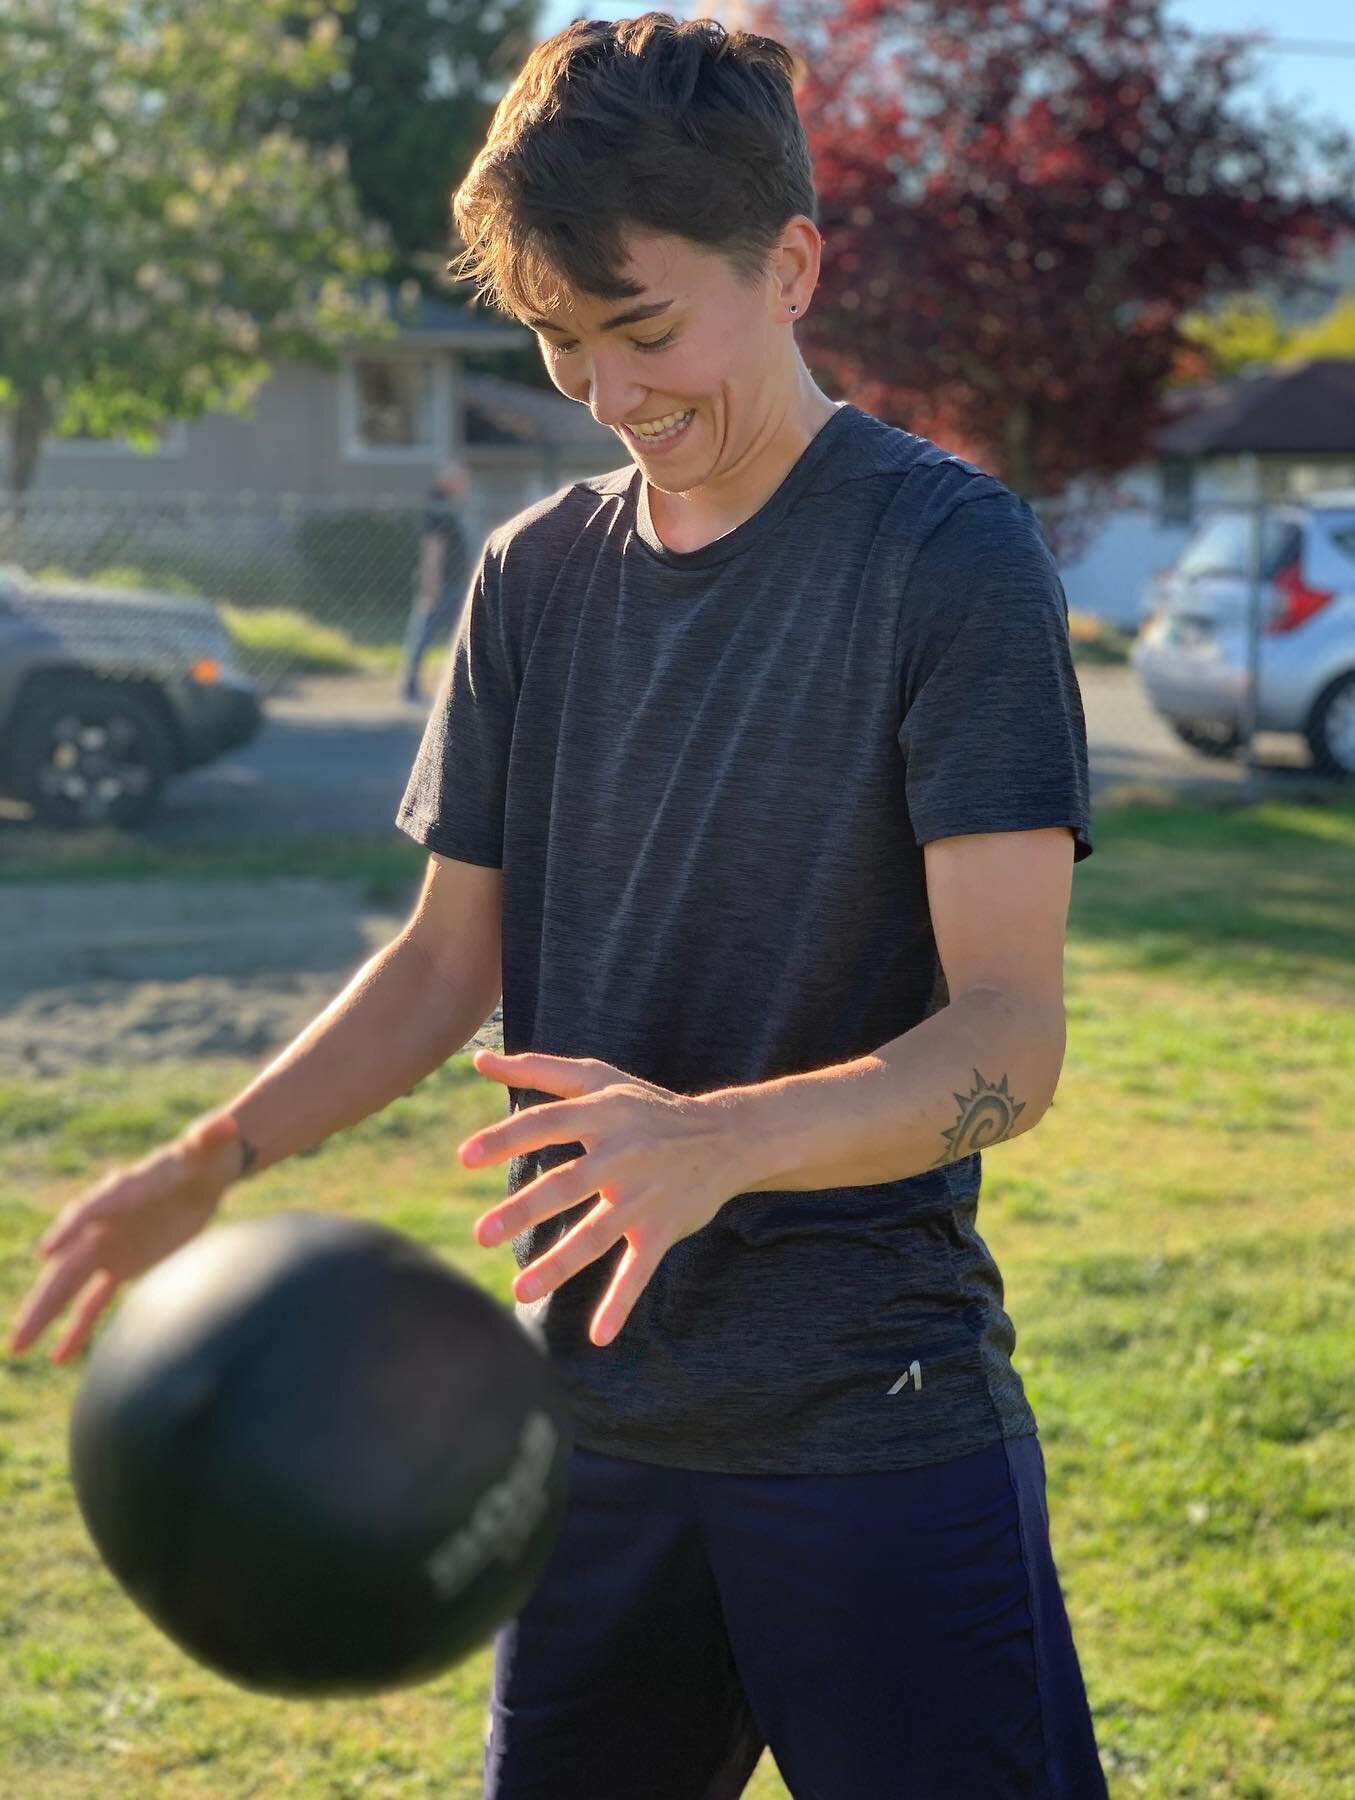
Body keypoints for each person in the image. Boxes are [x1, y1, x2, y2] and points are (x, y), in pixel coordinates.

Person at [8, 13, 1110, 1798]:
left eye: (648, 327)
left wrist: (712, 1144)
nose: (608, 389)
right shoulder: (533, 580)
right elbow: (450, 962)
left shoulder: (947, 560)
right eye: (557, 338)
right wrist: (213, 1158)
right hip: (582, 1430)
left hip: (867, 1420)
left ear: (794, 266)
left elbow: (1012, 1038)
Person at [399, 457, 474, 703]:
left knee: (460, 637)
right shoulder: (437, 506)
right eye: (461, 480)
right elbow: (433, 548)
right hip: (443, 585)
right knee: (425, 635)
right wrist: (431, 586)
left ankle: (456, 687)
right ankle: (410, 686)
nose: (465, 485)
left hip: (456, 584)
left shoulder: (451, 506)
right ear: (449, 481)